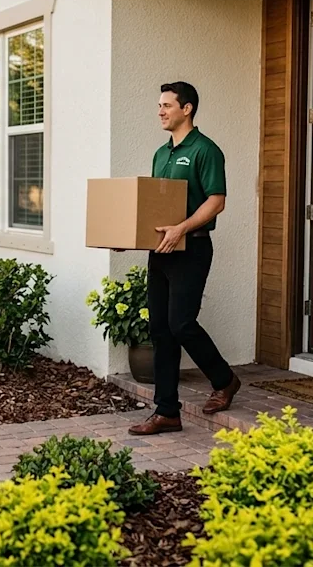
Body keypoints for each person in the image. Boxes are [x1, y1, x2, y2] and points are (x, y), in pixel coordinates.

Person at [128, 81, 240, 437]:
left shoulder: (206, 150)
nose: (160, 111)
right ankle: (166, 412)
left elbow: (216, 200)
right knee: (160, 329)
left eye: (166, 105)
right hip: (160, 251)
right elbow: (154, 206)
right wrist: (128, 238)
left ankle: (224, 379)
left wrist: (181, 228)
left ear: (187, 108)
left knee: (181, 324)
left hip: (192, 248)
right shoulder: (161, 154)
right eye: (159, 106)